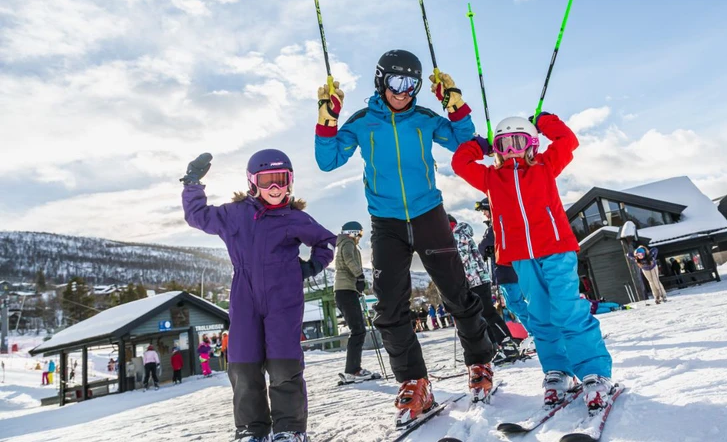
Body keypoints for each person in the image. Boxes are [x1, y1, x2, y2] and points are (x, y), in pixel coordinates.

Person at [314, 49, 494, 419]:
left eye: (412, 84)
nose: (404, 91)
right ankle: (414, 381)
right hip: (386, 222)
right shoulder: (364, 122)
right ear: (381, 81)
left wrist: (456, 105)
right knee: (389, 305)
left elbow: (466, 144)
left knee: (457, 292)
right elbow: (327, 159)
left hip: (429, 214)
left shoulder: (425, 119)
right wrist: (327, 119)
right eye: (396, 82)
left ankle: (479, 364)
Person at [452, 113, 615, 414]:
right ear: (497, 148)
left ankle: (595, 372)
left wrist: (543, 120)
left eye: (519, 141)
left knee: (567, 310)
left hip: (556, 249)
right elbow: (460, 164)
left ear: (532, 144)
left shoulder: (545, 165)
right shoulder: (491, 178)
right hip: (521, 256)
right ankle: (558, 371)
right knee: (539, 314)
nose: (512, 148)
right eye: (504, 143)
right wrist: (479, 145)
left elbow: (568, 141)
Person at [182, 149, 336, 442]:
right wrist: (192, 184)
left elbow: (326, 241)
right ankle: (251, 429)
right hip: (244, 294)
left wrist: (311, 266)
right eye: (268, 181)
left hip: (283, 296)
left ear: (290, 182)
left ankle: (289, 429)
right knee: (243, 362)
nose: (275, 188)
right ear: (252, 182)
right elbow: (198, 216)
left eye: (281, 180)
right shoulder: (235, 214)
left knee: (283, 363)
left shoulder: (294, 217)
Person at [449, 213, 517, 364]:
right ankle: (497, 347)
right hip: (475, 279)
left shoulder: (457, 235)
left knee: (487, 313)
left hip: (475, 280)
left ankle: (508, 345)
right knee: (483, 316)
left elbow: (460, 258)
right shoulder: (459, 234)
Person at [475, 198, 535, 338]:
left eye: (485, 211)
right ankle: (537, 331)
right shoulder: (500, 224)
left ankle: (537, 332)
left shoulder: (494, 226)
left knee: (515, 304)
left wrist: (483, 252)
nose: (484, 214)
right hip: (510, 271)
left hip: (506, 271)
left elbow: (482, 248)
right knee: (517, 303)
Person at [334, 220, 376, 384]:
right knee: (358, 330)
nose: (359, 237)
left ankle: (353, 369)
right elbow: (350, 260)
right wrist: (359, 276)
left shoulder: (343, 243)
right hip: (346, 290)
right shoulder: (347, 243)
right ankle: (353, 370)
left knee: (357, 329)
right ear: (353, 232)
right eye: (359, 233)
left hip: (345, 290)